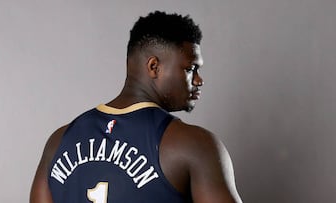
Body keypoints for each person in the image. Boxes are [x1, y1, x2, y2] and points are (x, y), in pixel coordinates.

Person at [30, 11, 243, 203]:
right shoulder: (195, 145)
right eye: (190, 68)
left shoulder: (58, 142)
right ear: (154, 67)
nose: (198, 80)